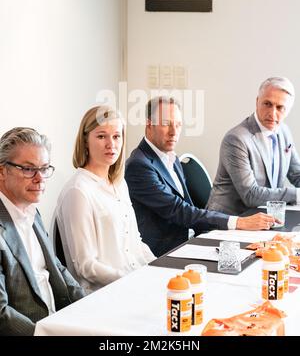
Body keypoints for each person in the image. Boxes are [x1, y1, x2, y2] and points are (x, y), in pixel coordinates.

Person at [125, 96, 275, 257]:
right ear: (149, 125)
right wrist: (239, 222)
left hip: (190, 240)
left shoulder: (171, 157)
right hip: (164, 253)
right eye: (166, 124)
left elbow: (187, 206)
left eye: (178, 124)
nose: (174, 132)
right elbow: (178, 210)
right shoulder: (139, 165)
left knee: (258, 252)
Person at [56, 106, 155, 293]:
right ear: (85, 141)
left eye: (117, 136)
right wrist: (132, 280)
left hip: (134, 284)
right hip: (104, 294)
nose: (111, 144)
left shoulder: (119, 184)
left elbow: (136, 243)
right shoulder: (78, 191)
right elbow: (86, 265)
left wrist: (159, 269)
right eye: (101, 136)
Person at [0, 127, 85, 336]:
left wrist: (90, 306)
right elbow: (2, 314)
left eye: (44, 168)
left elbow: (56, 268)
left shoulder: (32, 211)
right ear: (2, 171)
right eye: (28, 169)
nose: (39, 178)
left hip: (57, 322)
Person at [207, 76, 300, 216]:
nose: (272, 113)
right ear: (257, 102)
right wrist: (297, 195)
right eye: (267, 104)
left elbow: (296, 174)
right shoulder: (236, 139)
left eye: (280, 107)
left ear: (288, 110)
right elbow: (251, 194)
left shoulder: (284, 131)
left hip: (265, 218)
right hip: (229, 221)